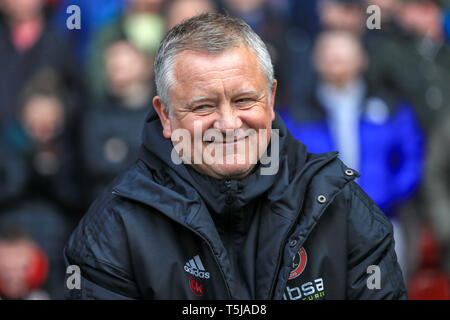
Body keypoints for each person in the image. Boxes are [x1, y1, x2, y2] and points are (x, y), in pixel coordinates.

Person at [64, 13, 407, 300]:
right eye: (203, 106)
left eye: (244, 100)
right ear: (166, 115)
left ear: (271, 100)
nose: (228, 124)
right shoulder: (114, 228)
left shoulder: (340, 207)